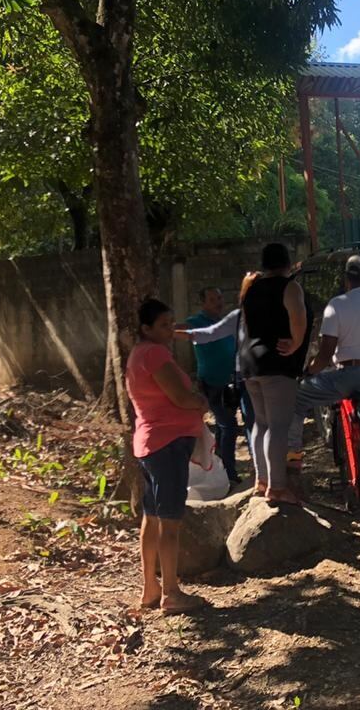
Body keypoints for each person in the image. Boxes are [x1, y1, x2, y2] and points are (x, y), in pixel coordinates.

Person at [293, 253, 360, 512]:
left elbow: (325, 352)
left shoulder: (336, 305)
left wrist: (309, 372)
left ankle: (292, 457)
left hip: (349, 375)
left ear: (346, 279)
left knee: (297, 398)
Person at [126, 298, 210, 613]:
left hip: (150, 444)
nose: (170, 329)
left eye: (171, 323)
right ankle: (171, 592)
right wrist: (201, 401)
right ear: (146, 329)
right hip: (167, 444)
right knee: (170, 522)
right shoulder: (155, 354)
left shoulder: (138, 354)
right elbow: (180, 397)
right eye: (163, 325)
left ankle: (151, 587)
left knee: (152, 516)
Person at [238, 243, 310, 505]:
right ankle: (278, 488)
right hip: (276, 363)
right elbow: (298, 318)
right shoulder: (289, 286)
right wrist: (296, 344)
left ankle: (262, 480)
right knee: (278, 426)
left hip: (250, 362)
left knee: (261, 423)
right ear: (287, 262)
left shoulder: (250, 287)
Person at [183, 287, 244, 483]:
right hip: (211, 382)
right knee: (229, 425)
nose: (218, 302)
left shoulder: (226, 321)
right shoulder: (196, 322)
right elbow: (179, 329)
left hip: (231, 382)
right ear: (203, 303)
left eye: (219, 297)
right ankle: (229, 473)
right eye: (212, 299)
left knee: (224, 425)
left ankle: (218, 468)